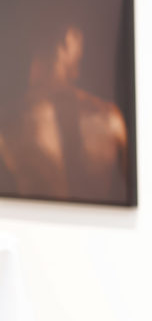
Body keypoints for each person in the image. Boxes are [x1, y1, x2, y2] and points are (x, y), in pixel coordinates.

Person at [0, 24, 129, 203]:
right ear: (66, 42)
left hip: (34, 226)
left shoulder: (9, 122)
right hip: (99, 227)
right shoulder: (109, 117)